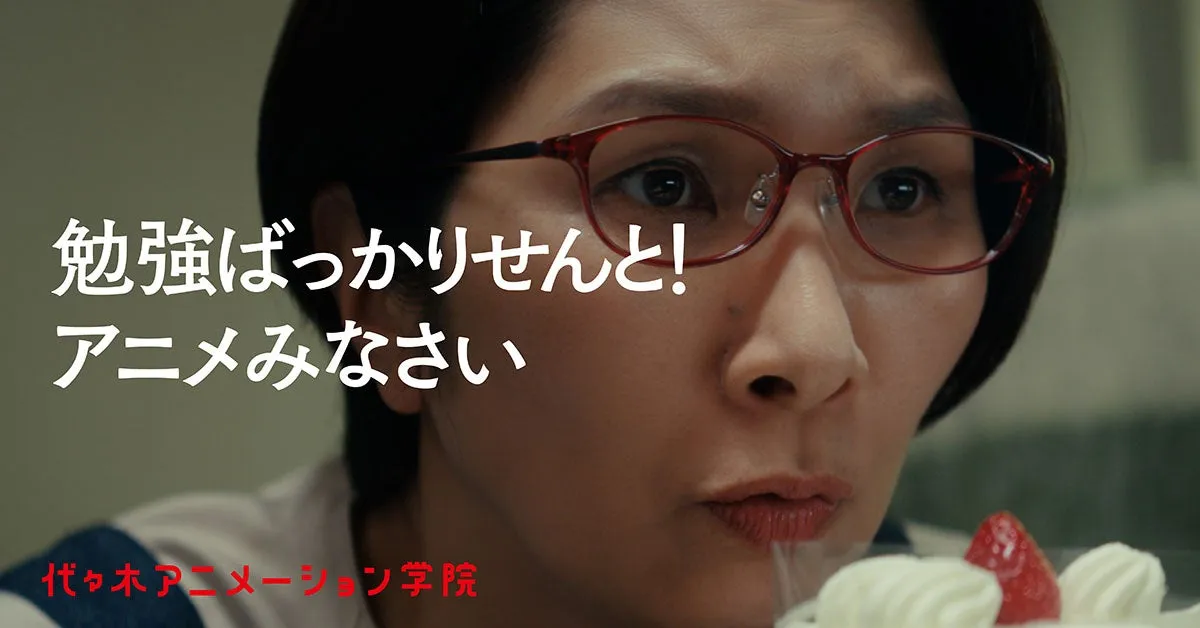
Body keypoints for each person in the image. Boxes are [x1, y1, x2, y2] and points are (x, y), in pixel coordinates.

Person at [1, 0, 1067, 626]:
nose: (818, 350)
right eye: (663, 186)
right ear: (382, 286)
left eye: (902, 190)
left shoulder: (1012, 606)